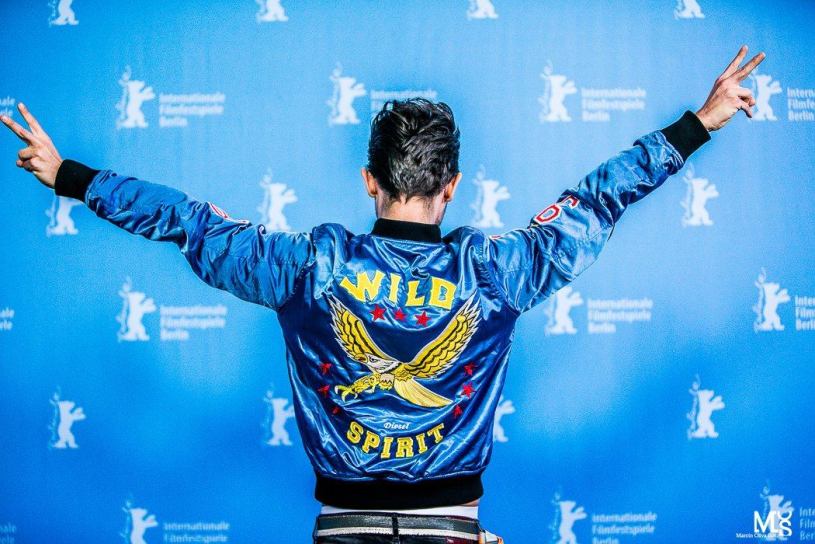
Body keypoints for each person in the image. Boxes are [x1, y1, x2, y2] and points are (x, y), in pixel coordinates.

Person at [2, 46, 764, 543]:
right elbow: (597, 200)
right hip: (454, 530)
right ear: (451, 186)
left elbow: (187, 222)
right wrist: (699, 122)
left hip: (342, 529)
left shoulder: (310, 265)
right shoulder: (496, 270)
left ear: (369, 179)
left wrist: (70, 176)